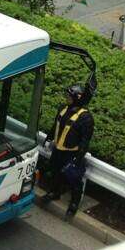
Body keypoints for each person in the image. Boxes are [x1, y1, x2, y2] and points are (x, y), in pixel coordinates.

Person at [41, 84, 94, 218]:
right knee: (55, 171)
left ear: (78, 98)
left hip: (72, 153)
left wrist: (78, 157)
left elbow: (85, 140)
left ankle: (74, 204)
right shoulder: (62, 109)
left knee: (74, 179)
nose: (67, 98)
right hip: (58, 149)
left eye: (70, 96)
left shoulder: (86, 117)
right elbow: (56, 125)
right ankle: (54, 192)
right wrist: (49, 138)